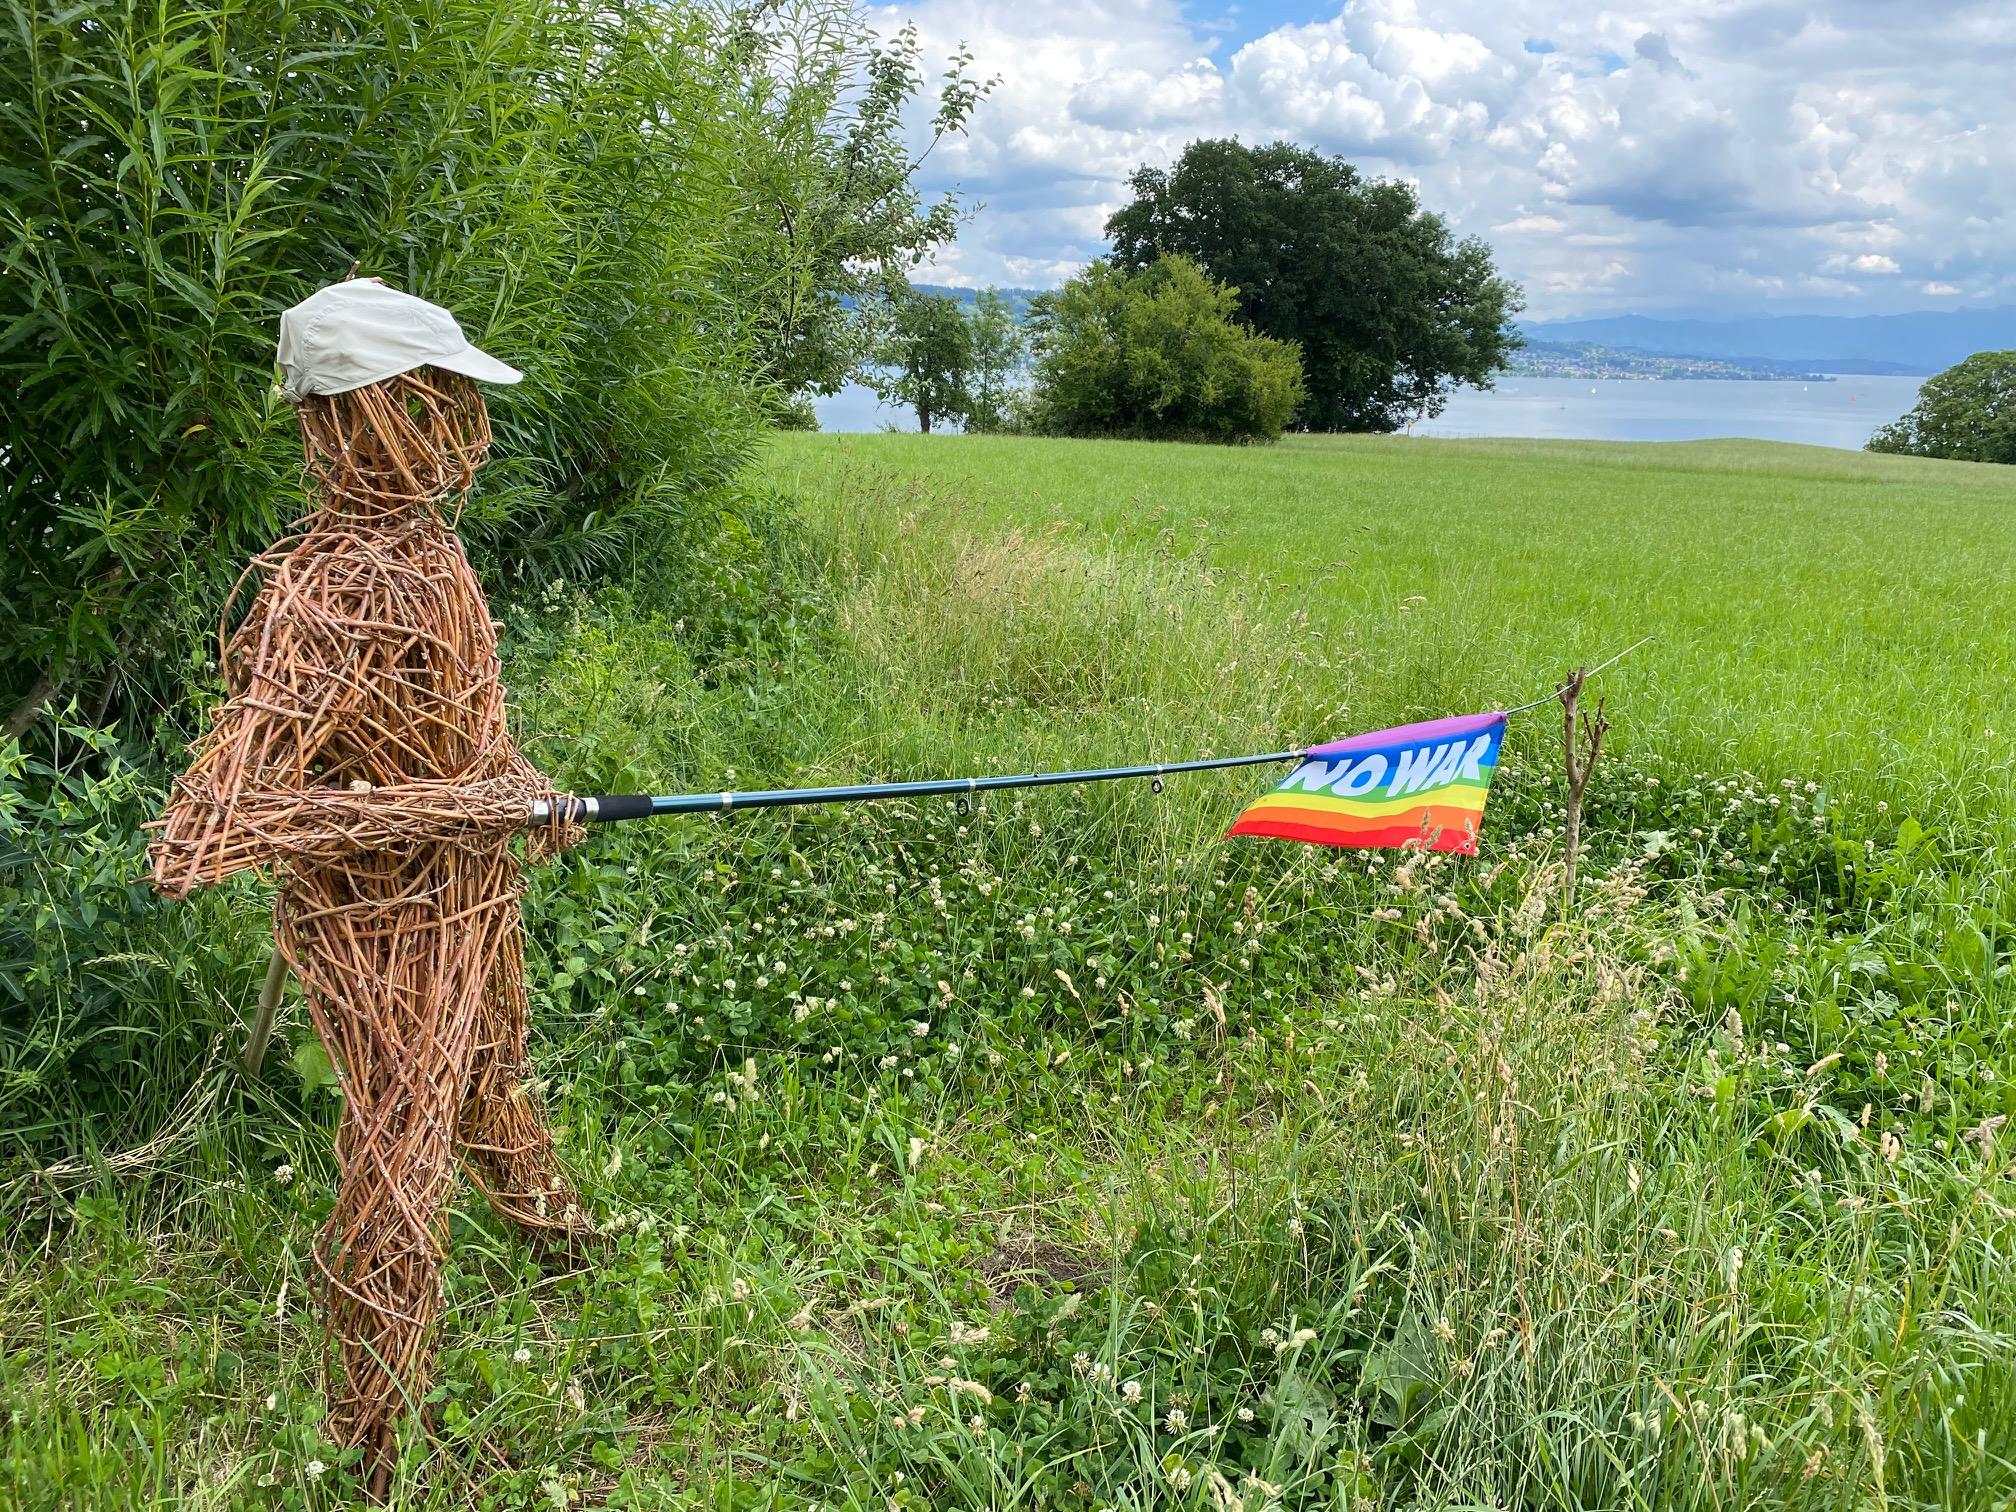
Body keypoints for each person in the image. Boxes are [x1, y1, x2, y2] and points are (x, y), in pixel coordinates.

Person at [150, 279, 593, 1495]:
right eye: (439, 400)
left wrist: (526, 792)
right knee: (400, 1170)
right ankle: (368, 1445)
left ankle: (568, 1258)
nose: (469, 431)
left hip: (473, 904)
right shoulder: (323, 595)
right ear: (361, 416)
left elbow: (469, 742)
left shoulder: (438, 561)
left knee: (494, 1086)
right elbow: (199, 835)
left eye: (460, 403)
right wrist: (458, 807)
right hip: (378, 933)